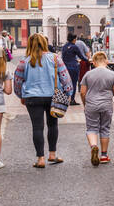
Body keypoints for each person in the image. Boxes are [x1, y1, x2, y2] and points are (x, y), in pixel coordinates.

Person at [12, 33, 72, 168]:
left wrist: (21, 95)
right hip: (52, 96)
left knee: (37, 127)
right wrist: (68, 93)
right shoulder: (55, 59)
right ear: (45, 43)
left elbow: (17, 80)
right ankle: (52, 154)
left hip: (32, 97)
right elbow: (65, 77)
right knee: (52, 125)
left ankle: (40, 159)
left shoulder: (24, 61)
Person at [80, 51, 114, 167]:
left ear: (93, 63)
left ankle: (94, 146)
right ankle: (104, 155)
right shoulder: (112, 75)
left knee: (91, 128)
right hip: (106, 105)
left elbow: (83, 92)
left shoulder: (88, 75)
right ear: (106, 61)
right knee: (105, 129)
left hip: (91, 105)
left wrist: (85, 105)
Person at [60, 33, 91, 105]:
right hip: (74, 67)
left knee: (66, 83)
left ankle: (65, 98)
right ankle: (72, 100)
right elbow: (81, 57)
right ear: (74, 39)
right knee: (74, 83)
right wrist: (88, 60)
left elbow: (63, 57)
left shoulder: (64, 46)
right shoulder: (74, 47)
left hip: (65, 67)